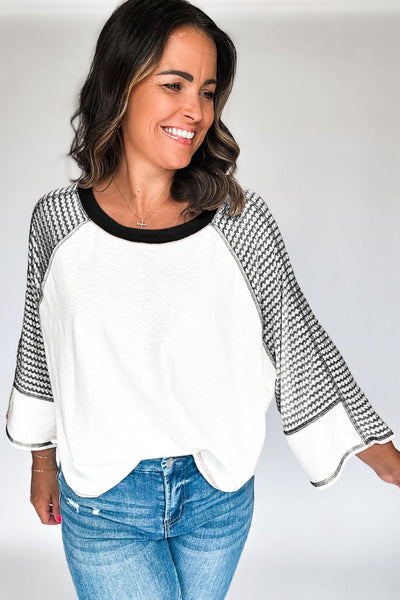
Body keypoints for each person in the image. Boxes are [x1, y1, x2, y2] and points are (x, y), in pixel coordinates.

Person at [5, 0, 400, 598]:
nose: (196, 110)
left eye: (208, 91)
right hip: (105, 498)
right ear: (120, 84)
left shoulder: (240, 222)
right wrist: (41, 460)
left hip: (217, 496)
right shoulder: (58, 222)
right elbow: (41, 344)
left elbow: (297, 340)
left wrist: (381, 452)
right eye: (174, 84)